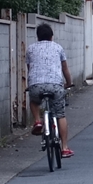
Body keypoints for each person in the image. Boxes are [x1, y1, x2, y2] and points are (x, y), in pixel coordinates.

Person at [26, 23, 74, 158]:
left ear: (37, 37)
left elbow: (31, 69)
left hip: (36, 84)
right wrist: (69, 83)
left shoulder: (30, 49)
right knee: (60, 115)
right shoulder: (58, 48)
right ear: (51, 36)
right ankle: (64, 148)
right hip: (55, 86)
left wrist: (32, 84)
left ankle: (37, 121)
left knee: (34, 101)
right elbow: (65, 69)